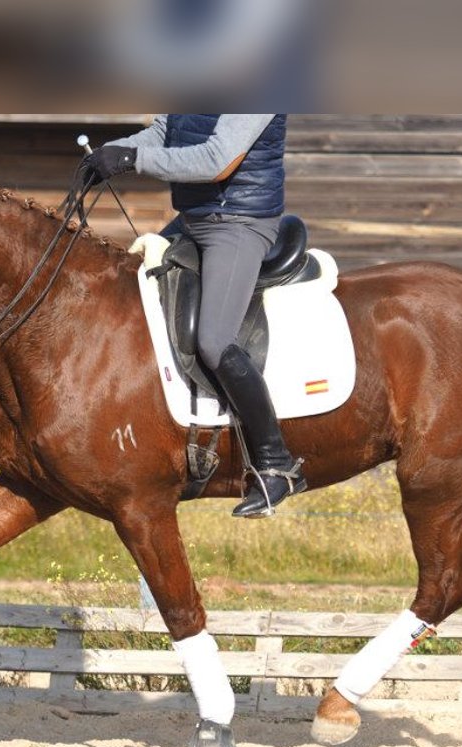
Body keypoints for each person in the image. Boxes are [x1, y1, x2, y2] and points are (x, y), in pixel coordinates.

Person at [82, 113, 306, 518]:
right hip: (193, 219)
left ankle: (277, 464)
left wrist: (133, 160)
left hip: (239, 221)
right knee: (128, 296)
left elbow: (217, 160)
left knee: (215, 340)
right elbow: (164, 132)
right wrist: (111, 151)